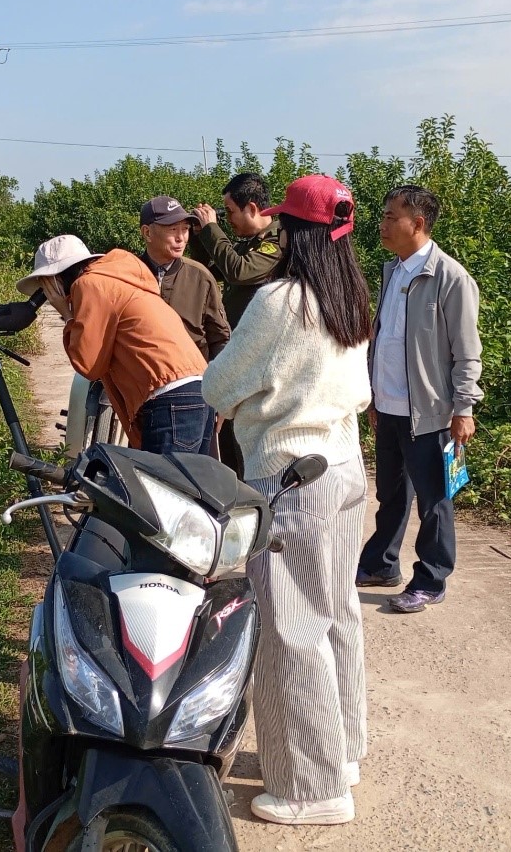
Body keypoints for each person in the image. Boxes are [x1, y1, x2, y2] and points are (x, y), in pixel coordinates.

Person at [202, 174, 371, 826]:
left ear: (293, 231)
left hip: (292, 476)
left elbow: (219, 386)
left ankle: (312, 787)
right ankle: (342, 751)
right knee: (337, 613)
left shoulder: (279, 301)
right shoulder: (350, 296)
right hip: (345, 467)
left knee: (290, 628)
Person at [355, 184, 482, 614]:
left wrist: (463, 408)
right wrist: (374, 395)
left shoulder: (450, 278)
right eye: (384, 215)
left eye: (391, 217)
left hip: (430, 412)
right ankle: (381, 564)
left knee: (435, 500)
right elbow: (385, 339)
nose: (382, 224)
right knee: (390, 495)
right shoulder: (393, 270)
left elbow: (467, 352)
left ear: (418, 223)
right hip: (390, 406)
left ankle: (431, 578)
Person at [17, 234, 213, 455]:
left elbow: (88, 365)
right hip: (198, 388)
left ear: (55, 278)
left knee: (165, 478)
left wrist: (66, 312)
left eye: (45, 285)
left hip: (171, 393)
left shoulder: (88, 284)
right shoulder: (119, 280)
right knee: (191, 477)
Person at [191, 172, 284, 474]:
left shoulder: (277, 242)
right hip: (238, 352)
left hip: (260, 360)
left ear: (252, 208)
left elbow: (238, 272)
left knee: (248, 447)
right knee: (229, 442)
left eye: (230, 211)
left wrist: (213, 229)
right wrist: (201, 235)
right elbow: (208, 270)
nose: (228, 219)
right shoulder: (249, 243)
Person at [138, 195, 230, 361]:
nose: (181, 238)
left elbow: (220, 338)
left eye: (185, 229)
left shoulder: (200, 276)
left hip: (194, 373)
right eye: (173, 229)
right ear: (147, 233)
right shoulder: (126, 275)